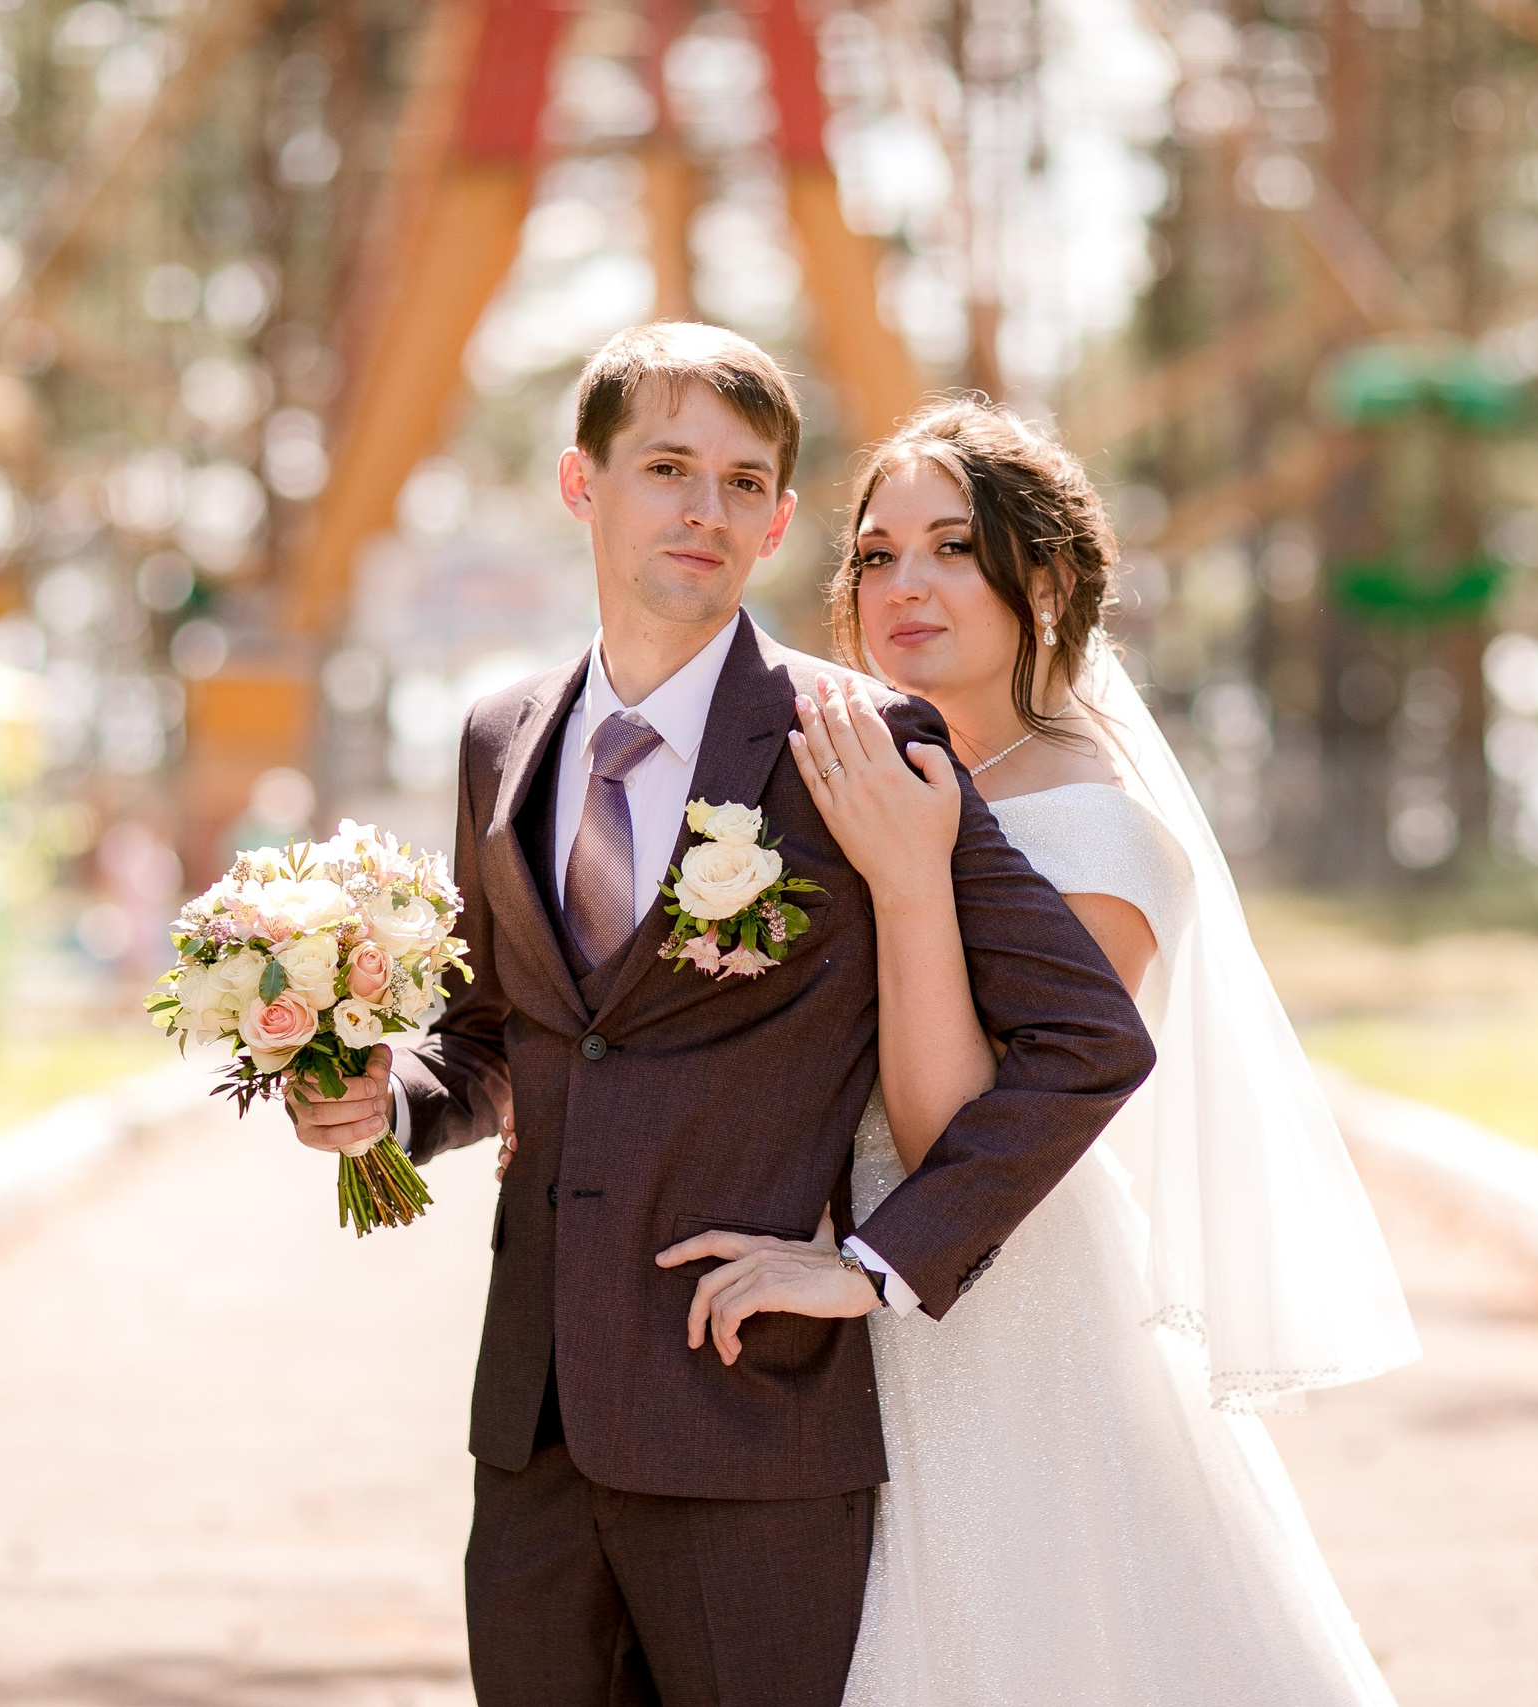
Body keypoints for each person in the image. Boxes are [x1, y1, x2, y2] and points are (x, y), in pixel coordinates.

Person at [283, 326, 1155, 1707]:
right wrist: (383, 1102)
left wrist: (874, 1266)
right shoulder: (497, 737)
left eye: (745, 483)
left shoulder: (867, 742)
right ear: (584, 486)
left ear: (780, 521)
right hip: (533, 1432)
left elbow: (1090, 1044)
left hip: (751, 1419)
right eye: (668, 467)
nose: (706, 508)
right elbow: (500, 1028)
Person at [786, 397, 1423, 1705]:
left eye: (952, 548)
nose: (903, 584)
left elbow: (943, 1137)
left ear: (1050, 581)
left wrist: (911, 889)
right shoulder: (885, 769)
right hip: (856, 1313)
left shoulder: (1095, 829)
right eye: (875, 552)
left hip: (1001, 1325)